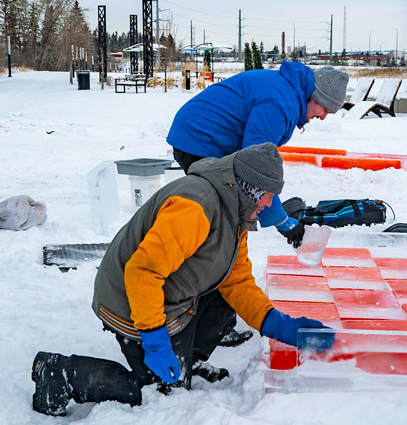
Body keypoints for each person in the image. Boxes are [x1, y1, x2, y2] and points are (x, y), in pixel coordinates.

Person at [31, 143, 334, 417]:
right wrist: (153, 337)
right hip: (128, 299)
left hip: (167, 294)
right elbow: (142, 272)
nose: (270, 203)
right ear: (248, 189)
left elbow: (236, 280)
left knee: (224, 300)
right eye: (267, 194)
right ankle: (60, 373)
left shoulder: (235, 212)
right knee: (159, 394)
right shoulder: (195, 207)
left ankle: (187, 359)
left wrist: (276, 324)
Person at [167, 62, 348, 249]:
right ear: (314, 98)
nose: (324, 117)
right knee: (225, 209)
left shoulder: (287, 93)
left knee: (231, 206)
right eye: (326, 110)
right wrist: (280, 219)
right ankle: (198, 259)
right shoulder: (281, 102)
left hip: (205, 137)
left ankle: (221, 261)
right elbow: (255, 165)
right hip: (199, 138)